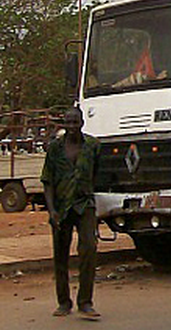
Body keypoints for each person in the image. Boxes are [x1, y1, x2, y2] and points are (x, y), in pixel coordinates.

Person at [40, 107, 101, 320]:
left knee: (89, 248)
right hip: (61, 207)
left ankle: (85, 302)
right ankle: (63, 302)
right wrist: (52, 211)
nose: (72, 127)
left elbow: (96, 174)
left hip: (85, 204)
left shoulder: (93, 145)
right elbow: (47, 181)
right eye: (69, 123)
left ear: (82, 123)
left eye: (76, 122)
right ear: (64, 125)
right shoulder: (55, 149)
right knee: (61, 255)